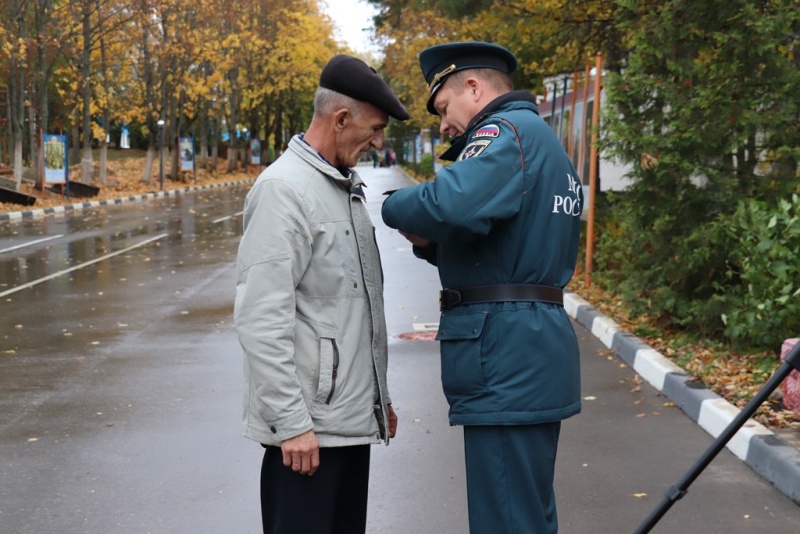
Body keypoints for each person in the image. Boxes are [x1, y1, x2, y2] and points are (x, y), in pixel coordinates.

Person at [381, 42, 584, 533]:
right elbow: (503, 245)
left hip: (505, 355)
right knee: (526, 513)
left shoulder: (505, 131)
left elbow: (452, 204)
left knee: (506, 518)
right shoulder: (540, 139)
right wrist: (432, 245)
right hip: (528, 348)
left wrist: (392, 205)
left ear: (473, 88)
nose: (446, 126)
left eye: (445, 109)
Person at [234, 54, 409, 534]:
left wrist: (381, 398)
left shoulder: (340, 187)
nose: (378, 142)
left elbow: (354, 309)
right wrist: (291, 423)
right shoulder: (284, 190)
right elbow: (260, 319)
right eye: (374, 129)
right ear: (341, 118)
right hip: (306, 437)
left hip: (347, 426)